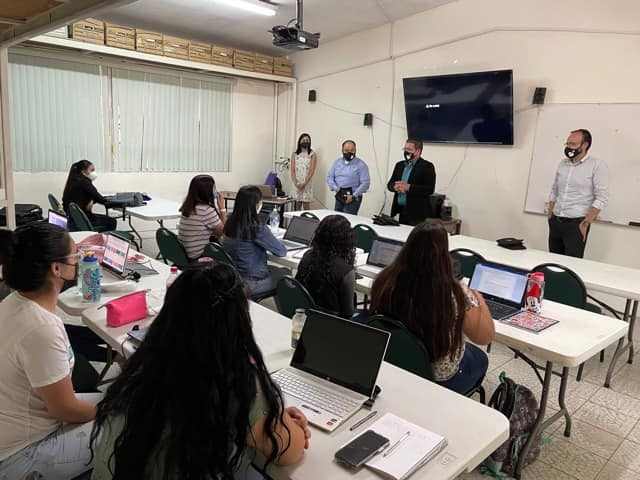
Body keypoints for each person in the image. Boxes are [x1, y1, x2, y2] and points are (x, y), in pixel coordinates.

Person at [89, 262, 310, 479]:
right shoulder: (238, 382)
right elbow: (289, 452)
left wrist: (269, 417)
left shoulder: (145, 364)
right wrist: (279, 419)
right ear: (239, 322)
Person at [0, 223, 99, 479]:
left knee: (124, 401)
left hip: (16, 426)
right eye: (75, 257)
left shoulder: (14, 301)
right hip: (21, 455)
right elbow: (64, 410)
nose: (78, 263)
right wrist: (110, 412)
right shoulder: (41, 328)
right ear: (56, 269)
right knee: (134, 424)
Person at [370, 222, 494, 395]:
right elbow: (484, 337)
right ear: (444, 254)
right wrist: (478, 299)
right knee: (480, 358)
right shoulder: (453, 292)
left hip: (392, 359)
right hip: (437, 376)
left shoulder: (385, 280)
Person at [547, 129, 609, 258]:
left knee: (572, 265)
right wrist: (550, 214)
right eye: (568, 144)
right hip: (556, 221)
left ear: (585, 145)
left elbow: (602, 197)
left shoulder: (597, 165)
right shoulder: (563, 164)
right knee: (553, 261)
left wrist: (586, 223)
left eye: (573, 144)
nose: (569, 147)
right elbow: (555, 189)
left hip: (576, 225)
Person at [223, 186, 290, 298]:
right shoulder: (257, 227)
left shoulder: (230, 221)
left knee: (275, 270)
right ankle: (285, 314)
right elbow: (281, 251)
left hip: (233, 278)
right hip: (251, 282)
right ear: (256, 205)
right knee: (286, 274)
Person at [296, 215, 356, 318]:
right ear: (346, 239)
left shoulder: (308, 255)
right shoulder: (346, 271)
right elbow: (348, 313)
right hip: (332, 325)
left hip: (306, 316)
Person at [387, 139, 437, 225]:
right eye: (405, 149)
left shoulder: (427, 166)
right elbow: (390, 184)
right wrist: (395, 187)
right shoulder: (399, 165)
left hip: (417, 214)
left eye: (409, 150)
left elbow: (429, 189)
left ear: (418, 151)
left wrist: (409, 187)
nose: (406, 152)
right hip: (400, 210)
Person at [178, 174, 226, 261]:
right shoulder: (206, 210)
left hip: (183, 254)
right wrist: (222, 208)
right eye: (214, 188)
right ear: (208, 191)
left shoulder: (188, 206)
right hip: (197, 256)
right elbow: (223, 232)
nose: (215, 191)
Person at [62, 159, 117, 232]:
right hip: (83, 220)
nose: (94, 172)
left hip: (74, 220)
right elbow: (100, 198)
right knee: (112, 222)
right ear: (83, 171)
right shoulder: (84, 182)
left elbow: (91, 196)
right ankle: (102, 241)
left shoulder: (73, 181)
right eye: (92, 170)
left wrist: (92, 200)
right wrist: (117, 202)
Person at [326, 140, 370, 215]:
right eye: (346, 150)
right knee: (337, 219)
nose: (349, 152)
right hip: (339, 195)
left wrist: (353, 196)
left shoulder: (361, 165)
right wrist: (336, 188)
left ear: (355, 150)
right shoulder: (337, 162)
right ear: (342, 150)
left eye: (352, 150)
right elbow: (330, 177)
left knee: (348, 220)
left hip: (353, 197)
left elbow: (365, 183)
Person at [291, 133, 318, 210]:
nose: (305, 141)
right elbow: (292, 171)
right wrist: (296, 183)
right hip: (296, 183)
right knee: (296, 206)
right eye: (304, 140)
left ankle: (306, 221)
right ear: (300, 141)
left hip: (307, 183)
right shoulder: (295, 154)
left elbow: (311, 171)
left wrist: (304, 184)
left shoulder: (312, 154)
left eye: (307, 140)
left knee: (306, 206)